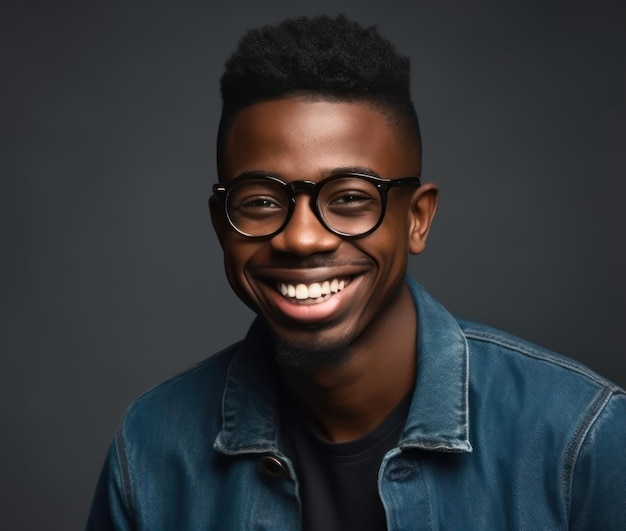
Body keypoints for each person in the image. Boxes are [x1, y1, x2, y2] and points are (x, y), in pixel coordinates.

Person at [87, 14, 626, 530]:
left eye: (349, 198)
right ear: (220, 225)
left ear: (417, 218)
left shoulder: (580, 440)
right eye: (260, 200)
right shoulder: (152, 446)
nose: (301, 238)